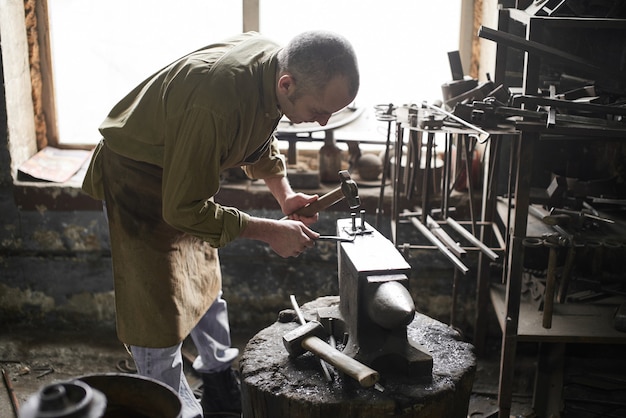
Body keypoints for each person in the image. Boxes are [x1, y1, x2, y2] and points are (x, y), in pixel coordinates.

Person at [81, 30, 360, 418]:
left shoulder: (275, 68)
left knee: (205, 285)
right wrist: (269, 231)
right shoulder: (215, 105)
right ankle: (174, 409)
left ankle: (216, 379)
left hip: (185, 177)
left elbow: (261, 130)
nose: (324, 121)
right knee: (156, 314)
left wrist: (285, 196)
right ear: (287, 83)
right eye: (319, 111)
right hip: (139, 180)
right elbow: (182, 209)